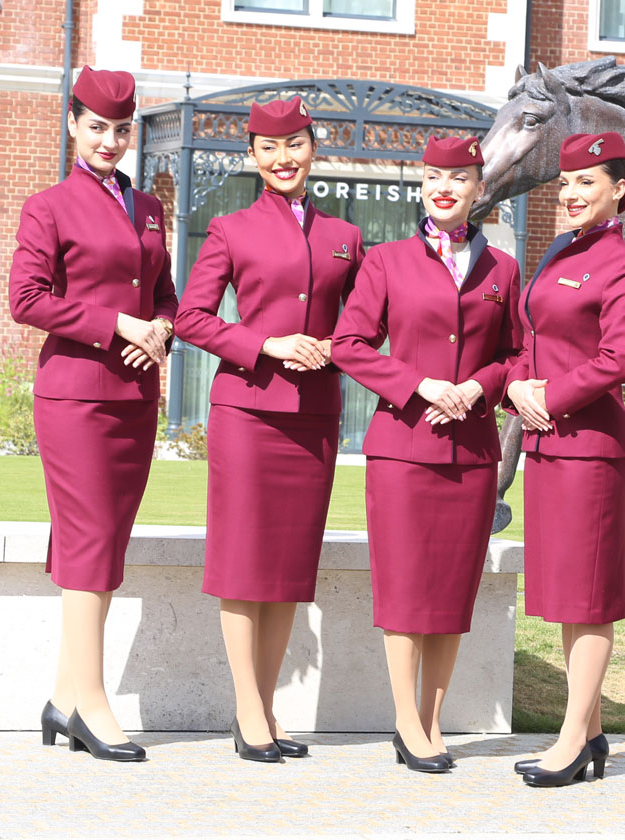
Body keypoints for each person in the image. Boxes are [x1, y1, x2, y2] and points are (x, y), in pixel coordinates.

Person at [174, 97, 364, 763]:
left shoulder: (346, 234)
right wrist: (268, 345)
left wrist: (335, 345)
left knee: (288, 569)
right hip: (249, 414)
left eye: (294, 145)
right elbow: (190, 319)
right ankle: (249, 712)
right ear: (251, 156)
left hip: (314, 418)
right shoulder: (229, 229)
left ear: (314, 146)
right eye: (268, 149)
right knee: (244, 564)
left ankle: (268, 709)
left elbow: (366, 323)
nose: (283, 159)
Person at [331, 135, 522, 773]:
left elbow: (518, 356)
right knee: (407, 590)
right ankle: (406, 722)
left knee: (451, 593)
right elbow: (350, 343)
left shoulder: (504, 269)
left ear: (478, 188)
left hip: (471, 454)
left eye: (459, 177)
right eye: (434, 176)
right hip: (403, 451)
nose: (445, 187)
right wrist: (417, 384)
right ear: (422, 184)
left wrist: (477, 386)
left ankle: (434, 718)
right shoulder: (384, 261)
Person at [10, 66, 177, 762]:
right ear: (73, 124)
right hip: (76, 398)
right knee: (88, 544)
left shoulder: (147, 209)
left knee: (105, 543)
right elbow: (26, 300)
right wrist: (117, 325)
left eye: (120, 129)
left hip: (134, 399)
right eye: (97, 127)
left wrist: (161, 329)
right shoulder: (47, 206)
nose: (110, 140)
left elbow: (165, 292)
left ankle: (63, 695)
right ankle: (92, 704)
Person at [505, 132, 625, 787]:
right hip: (547, 444)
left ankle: (570, 740)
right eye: (565, 183)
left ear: (619, 188)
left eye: (586, 182)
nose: (570, 194)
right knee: (564, 598)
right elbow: (530, 341)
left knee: (588, 600)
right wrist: (516, 388)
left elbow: (618, 360)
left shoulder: (623, 264)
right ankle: (590, 735)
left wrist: (550, 398)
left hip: (589, 447)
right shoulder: (559, 250)